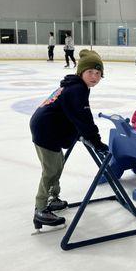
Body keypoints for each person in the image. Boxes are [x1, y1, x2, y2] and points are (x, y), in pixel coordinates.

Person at [30, 49, 108, 229]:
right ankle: (40, 209)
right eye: (90, 72)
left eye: (98, 73)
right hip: (45, 130)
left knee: (57, 164)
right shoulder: (77, 89)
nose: (94, 76)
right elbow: (84, 119)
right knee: (51, 170)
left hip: (47, 127)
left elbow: (72, 114)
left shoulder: (76, 86)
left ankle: (52, 197)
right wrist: (96, 141)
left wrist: (80, 133)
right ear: (81, 71)